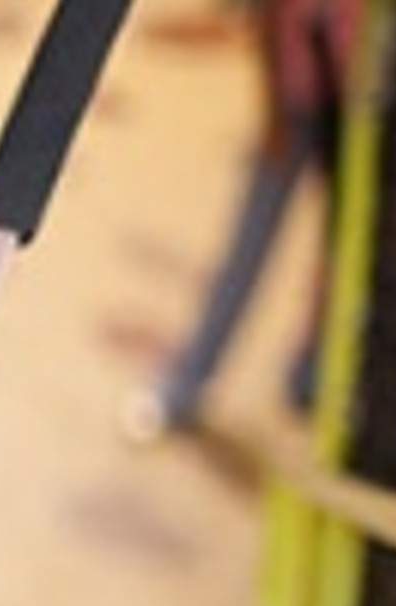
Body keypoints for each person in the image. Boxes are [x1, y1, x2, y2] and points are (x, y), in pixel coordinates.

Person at [125, 0, 360, 441]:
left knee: (348, 250)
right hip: (296, 94)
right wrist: (272, 99)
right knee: (248, 245)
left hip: (363, 115)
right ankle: (185, 383)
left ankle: (310, 373)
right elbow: (271, 14)